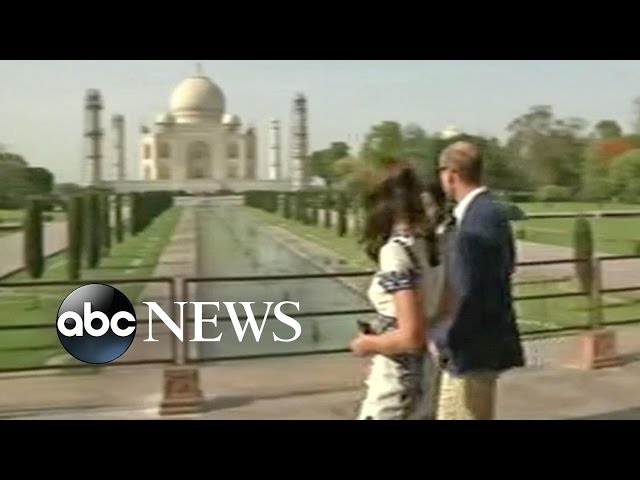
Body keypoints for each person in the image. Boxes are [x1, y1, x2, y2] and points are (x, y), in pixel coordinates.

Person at [432, 141, 525, 420]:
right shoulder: (492, 212)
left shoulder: (475, 221)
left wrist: (442, 339)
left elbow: (466, 291)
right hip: (483, 344)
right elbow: (507, 266)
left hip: (470, 349)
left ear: (451, 174)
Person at [349, 159, 446, 420]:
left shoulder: (396, 252)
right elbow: (446, 308)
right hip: (426, 373)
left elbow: (410, 337)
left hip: (399, 380)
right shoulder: (431, 247)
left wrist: (368, 343)